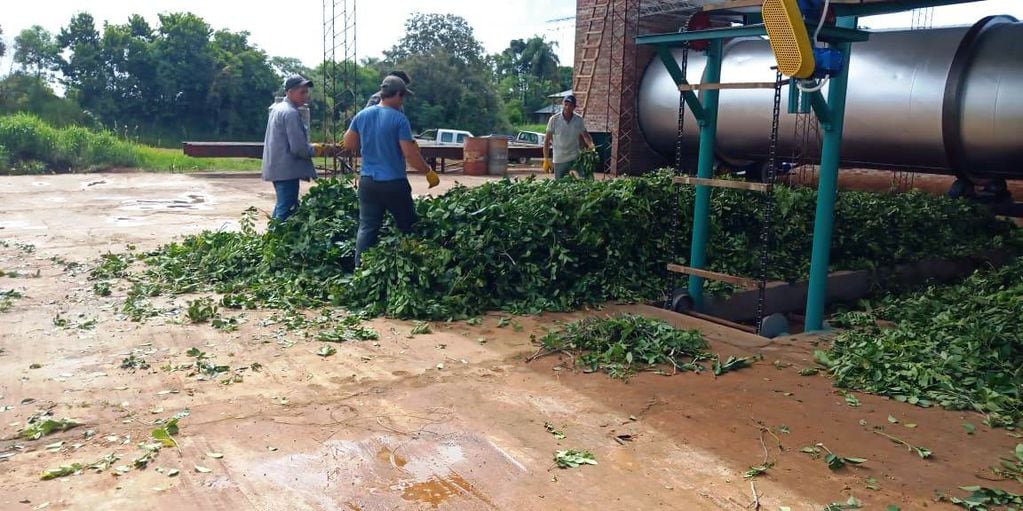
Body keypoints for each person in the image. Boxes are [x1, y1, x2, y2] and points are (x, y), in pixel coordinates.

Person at [344, 75, 439, 266]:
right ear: (395, 94)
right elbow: (410, 155)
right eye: (402, 96)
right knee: (408, 225)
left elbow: (349, 143)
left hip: (368, 182)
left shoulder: (362, 115)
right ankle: (415, 266)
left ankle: (359, 271)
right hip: (394, 183)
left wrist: (371, 142)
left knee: (368, 227)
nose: (402, 101)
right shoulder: (399, 119)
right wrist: (428, 171)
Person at [261, 74, 336, 220]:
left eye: (306, 92)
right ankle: (277, 240)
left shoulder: (278, 108)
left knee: (283, 205)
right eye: (302, 92)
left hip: (278, 167)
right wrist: (319, 149)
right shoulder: (290, 113)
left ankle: (271, 239)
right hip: (286, 170)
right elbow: (298, 148)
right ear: (289, 92)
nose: (306, 96)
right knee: (286, 209)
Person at [542, 94, 596, 179]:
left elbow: (585, 136)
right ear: (563, 105)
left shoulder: (578, 120)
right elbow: (547, 140)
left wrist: (591, 145)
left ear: (574, 107)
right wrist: (545, 159)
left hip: (575, 157)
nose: (567, 107)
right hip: (559, 158)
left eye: (570, 105)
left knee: (584, 180)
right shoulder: (554, 120)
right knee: (560, 184)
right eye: (566, 105)